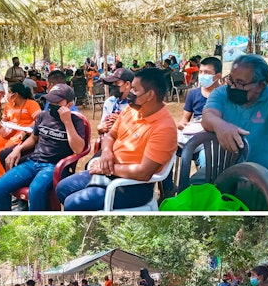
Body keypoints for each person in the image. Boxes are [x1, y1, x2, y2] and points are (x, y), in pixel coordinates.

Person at [56, 68, 177, 210]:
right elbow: (111, 135)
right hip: (110, 172)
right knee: (62, 188)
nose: (130, 93)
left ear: (150, 95)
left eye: (134, 90)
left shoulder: (164, 128)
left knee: (73, 203)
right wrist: (106, 151)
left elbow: (143, 173)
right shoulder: (131, 110)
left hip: (132, 185)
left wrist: (107, 169)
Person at [202, 44, 268, 200]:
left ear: (260, 85)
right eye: (230, 80)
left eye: (240, 83)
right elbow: (208, 116)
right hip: (227, 170)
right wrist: (220, 124)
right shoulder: (222, 92)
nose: (232, 86)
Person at [0, 84, 87, 211]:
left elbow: (78, 149)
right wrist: (18, 149)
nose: (52, 104)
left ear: (69, 104)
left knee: (35, 190)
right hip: (33, 161)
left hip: (54, 166)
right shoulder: (43, 116)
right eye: (50, 100)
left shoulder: (76, 121)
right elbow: (34, 138)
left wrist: (67, 122)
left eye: (57, 102)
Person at [0, 82, 42, 191]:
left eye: (9, 92)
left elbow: (38, 121)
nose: (7, 95)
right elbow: (3, 122)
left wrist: (25, 129)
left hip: (23, 134)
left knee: (5, 149)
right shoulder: (8, 106)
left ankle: (2, 178)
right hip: (7, 133)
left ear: (15, 95)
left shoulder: (31, 104)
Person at [177, 57, 222, 131]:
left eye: (207, 72)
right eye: (200, 72)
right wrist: (182, 125)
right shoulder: (193, 94)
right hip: (198, 136)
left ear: (218, 76)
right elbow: (185, 119)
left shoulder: (225, 94)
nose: (202, 75)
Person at [98, 68, 133, 136]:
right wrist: (100, 127)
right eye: (112, 83)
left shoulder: (136, 104)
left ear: (127, 84)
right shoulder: (109, 102)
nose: (113, 85)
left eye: (116, 83)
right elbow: (102, 126)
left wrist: (121, 121)